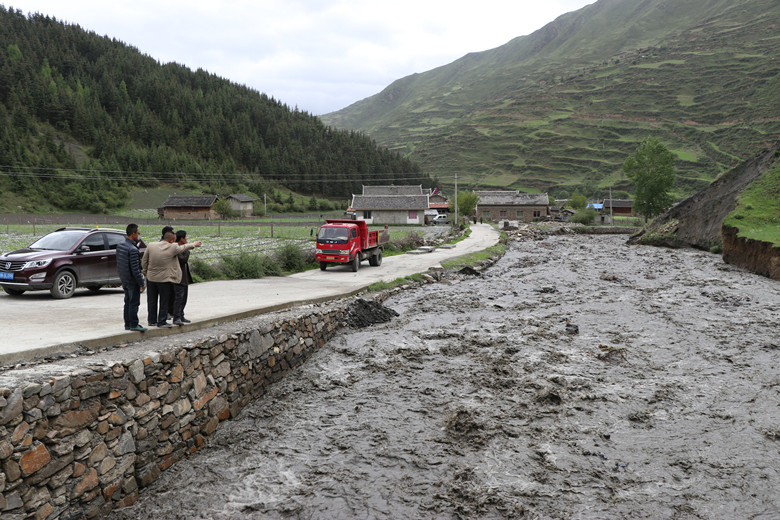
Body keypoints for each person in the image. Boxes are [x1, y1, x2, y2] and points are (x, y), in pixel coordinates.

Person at [142, 231, 201, 327]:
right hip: (164, 279)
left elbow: (144, 260)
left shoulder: (151, 245)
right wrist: (193, 244)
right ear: (171, 240)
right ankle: (161, 321)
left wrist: (146, 273)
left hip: (151, 278)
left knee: (151, 300)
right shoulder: (172, 247)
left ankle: (152, 320)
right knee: (164, 300)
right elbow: (183, 248)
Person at [116, 224, 146, 332]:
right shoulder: (132, 249)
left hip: (124, 278)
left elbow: (119, 264)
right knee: (134, 302)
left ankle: (127, 324)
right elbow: (135, 268)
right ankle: (134, 324)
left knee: (127, 301)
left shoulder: (120, 245)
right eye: (138, 233)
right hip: (132, 280)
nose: (138, 235)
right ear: (133, 233)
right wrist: (141, 282)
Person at [172, 229, 193, 326]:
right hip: (178, 277)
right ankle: (176, 317)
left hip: (184, 277)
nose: (186, 239)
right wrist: (187, 249)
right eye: (185, 237)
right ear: (181, 239)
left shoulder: (181, 248)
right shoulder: (177, 248)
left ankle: (181, 315)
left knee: (183, 297)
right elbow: (183, 260)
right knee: (179, 298)